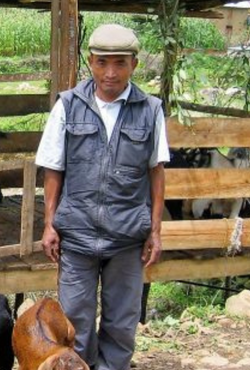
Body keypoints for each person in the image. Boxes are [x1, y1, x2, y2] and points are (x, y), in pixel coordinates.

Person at [36, 24, 170, 370]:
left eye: (120, 63)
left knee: (122, 323)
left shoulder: (150, 109)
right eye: (102, 63)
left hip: (127, 236)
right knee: (73, 325)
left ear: (134, 65)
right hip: (78, 235)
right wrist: (50, 224)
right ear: (90, 63)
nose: (111, 73)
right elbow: (53, 169)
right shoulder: (68, 106)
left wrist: (154, 230)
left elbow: (156, 171)